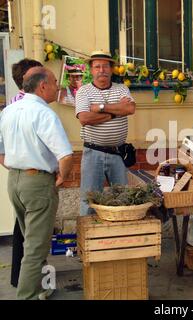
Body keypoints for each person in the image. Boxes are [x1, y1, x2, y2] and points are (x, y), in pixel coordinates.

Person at [0, 67, 73, 300]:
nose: (57, 86)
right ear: (43, 86)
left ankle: (40, 288)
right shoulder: (44, 113)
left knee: (32, 240)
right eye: (54, 82)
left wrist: (17, 168)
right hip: (37, 182)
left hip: (15, 181)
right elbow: (65, 155)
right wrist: (62, 176)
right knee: (35, 247)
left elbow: (0, 151)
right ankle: (27, 296)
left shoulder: (9, 110)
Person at [75, 51, 136, 215]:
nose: (101, 70)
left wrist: (100, 107)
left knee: (123, 199)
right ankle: (88, 239)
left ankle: (120, 237)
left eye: (105, 66)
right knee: (89, 200)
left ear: (111, 69)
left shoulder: (122, 89)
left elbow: (130, 108)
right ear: (91, 70)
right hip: (93, 153)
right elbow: (84, 118)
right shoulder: (84, 91)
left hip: (118, 153)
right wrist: (116, 111)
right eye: (97, 66)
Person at [8, 58, 43, 289]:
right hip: (31, 177)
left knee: (24, 231)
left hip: (19, 176)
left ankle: (19, 279)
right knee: (31, 236)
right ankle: (28, 286)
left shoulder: (13, 104)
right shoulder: (28, 105)